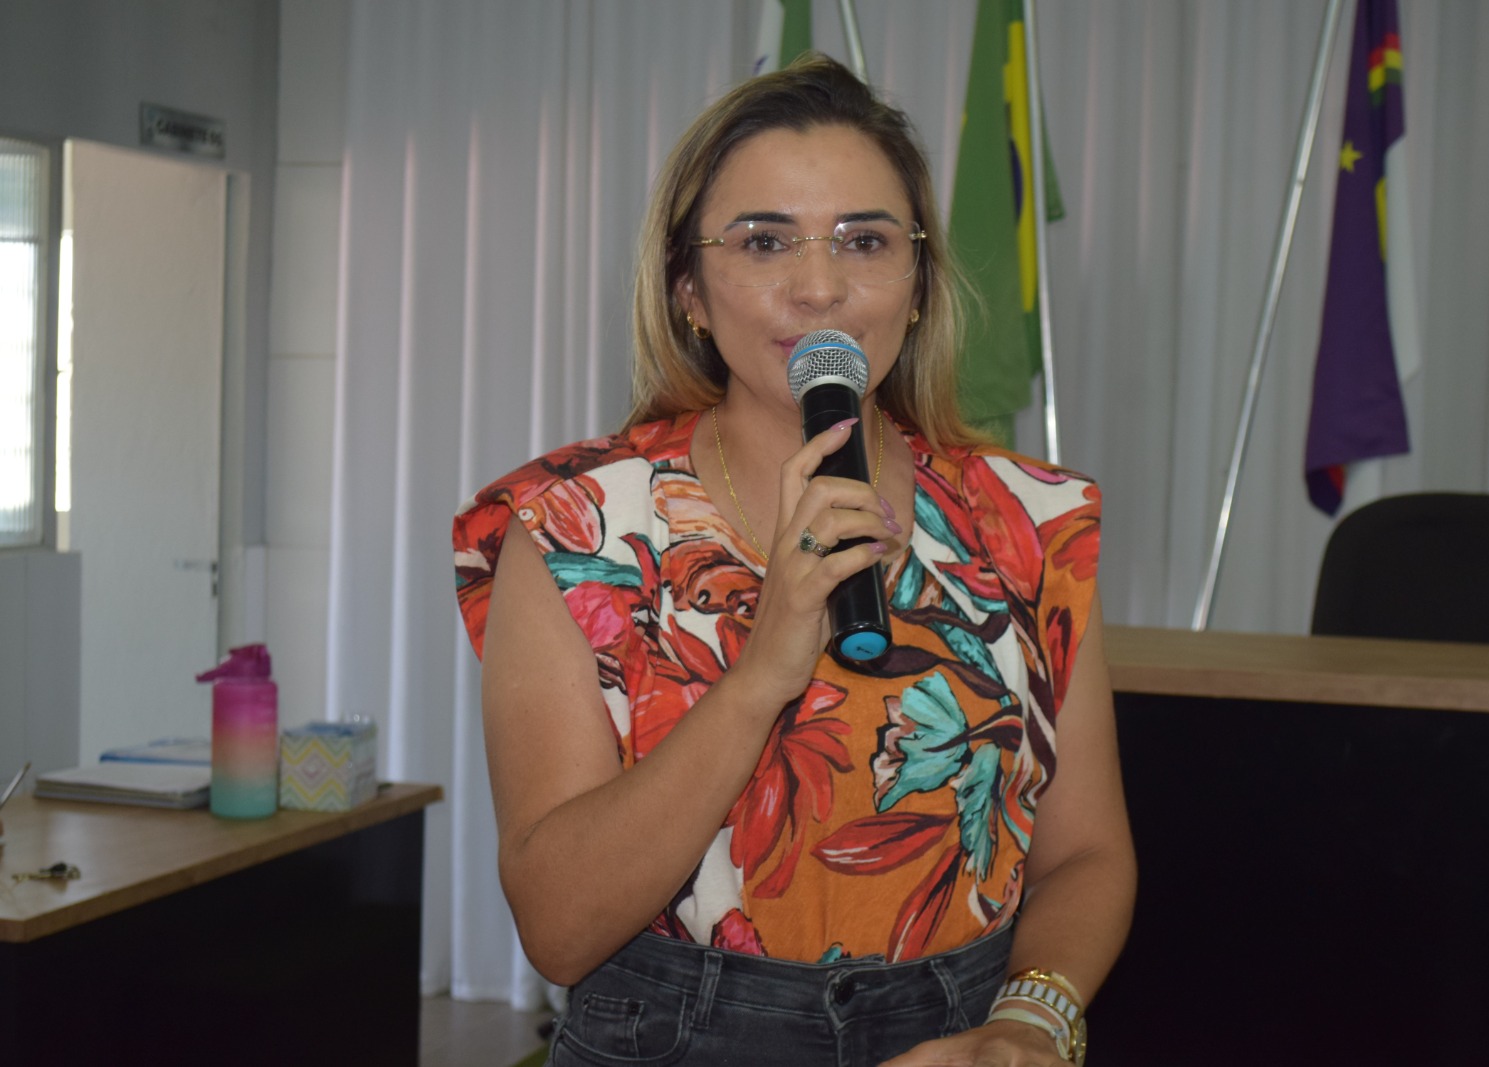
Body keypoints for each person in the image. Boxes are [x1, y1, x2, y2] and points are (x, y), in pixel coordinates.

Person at [452, 53, 1135, 1066]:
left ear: (917, 285)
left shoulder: (1029, 520)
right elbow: (558, 927)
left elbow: (1086, 853)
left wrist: (1030, 1019)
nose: (820, 286)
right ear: (688, 288)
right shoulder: (574, 529)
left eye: (865, 239)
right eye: (764, 241)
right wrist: (761, 672)